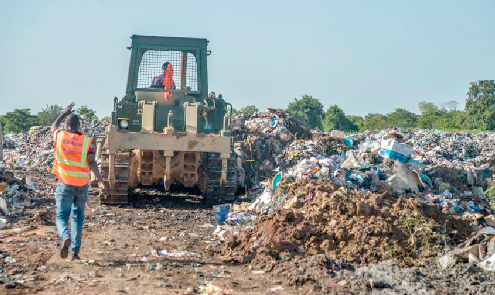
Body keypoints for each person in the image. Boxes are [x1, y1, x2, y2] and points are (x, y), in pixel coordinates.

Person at [50, 103, 108, 260]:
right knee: (77, 217)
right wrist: (101, 181)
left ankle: (65, 236)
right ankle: (75, 252)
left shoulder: (60, 135)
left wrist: (63, 113)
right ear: (79, 125)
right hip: (81, 186)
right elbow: (92, 162)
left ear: (66, 125)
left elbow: (53, 126)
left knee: (62, 216)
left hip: (64, 184)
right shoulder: (87, 142)